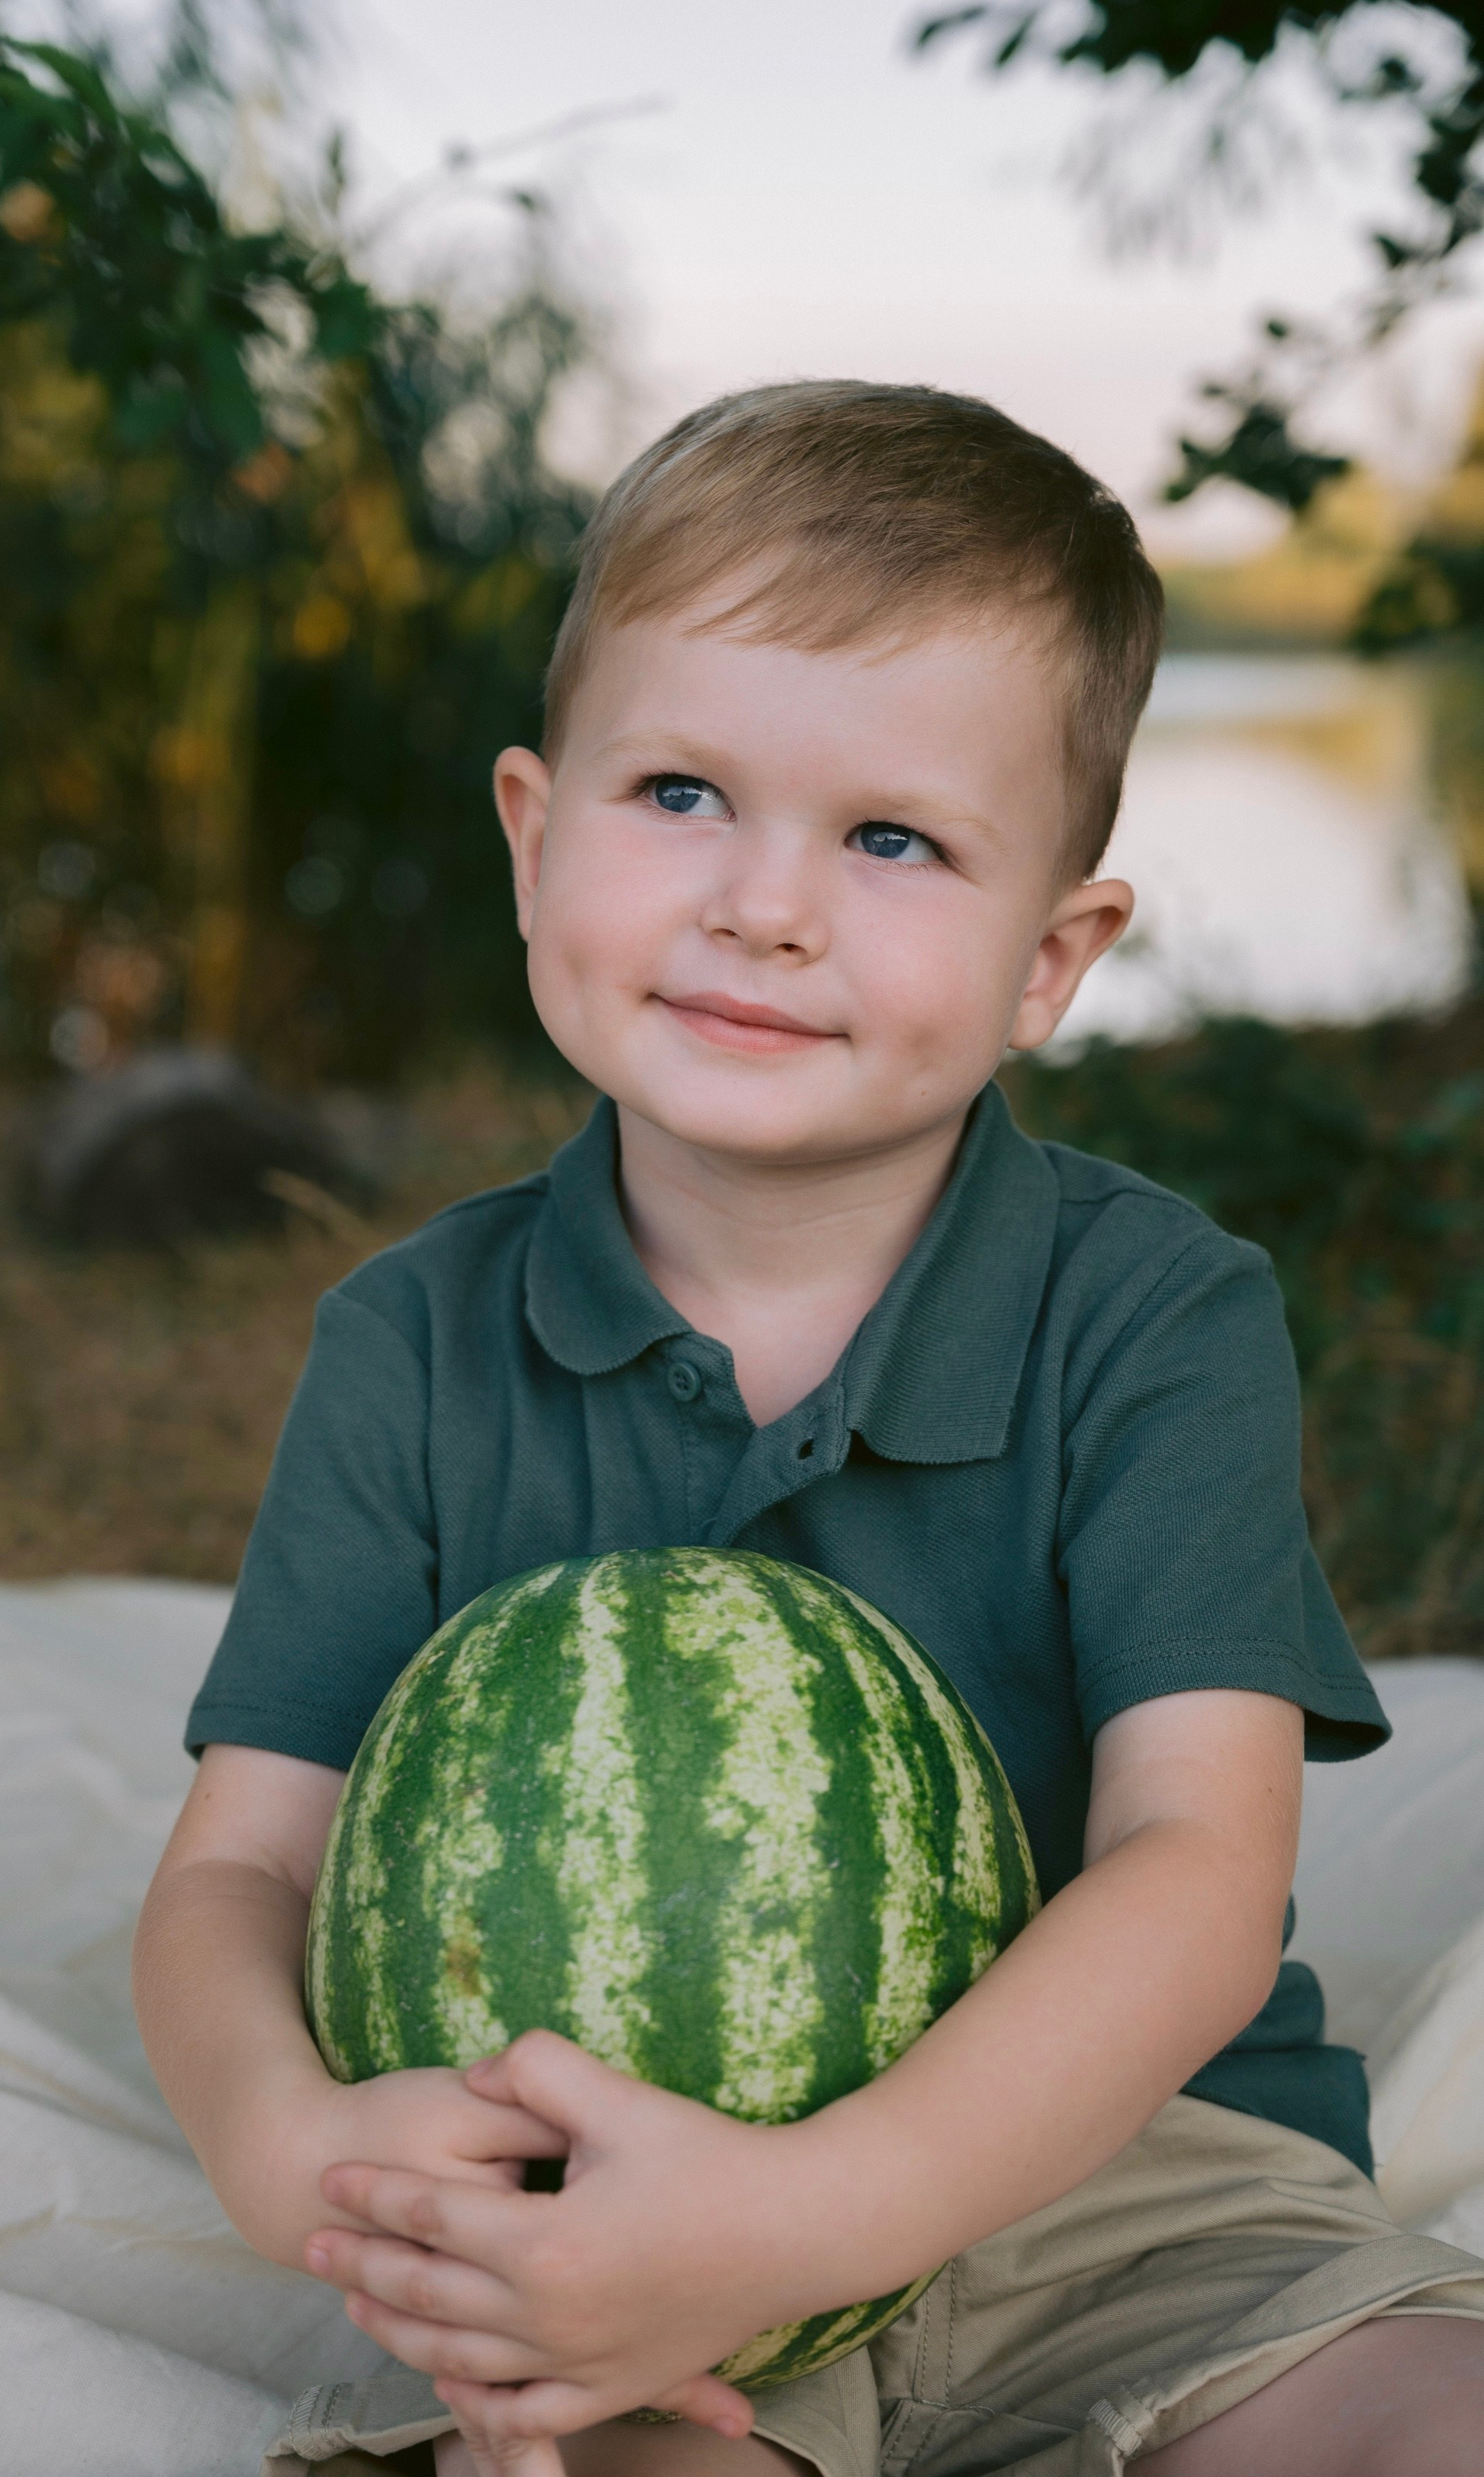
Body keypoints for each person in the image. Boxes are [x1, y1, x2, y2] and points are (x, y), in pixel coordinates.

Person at [133, 383, 1484, 2477]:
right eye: (678, 791)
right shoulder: (409, 1340)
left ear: (1052, 958)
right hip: (615, 2217)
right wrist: (290, 2142)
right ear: (530, 829)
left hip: (1124, 2181)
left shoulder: (1149, 1314)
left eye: (889, 839)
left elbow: (1198, 1873)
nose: (766, 904)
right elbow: (238, 1873)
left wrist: (823, 2212)